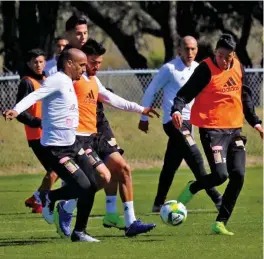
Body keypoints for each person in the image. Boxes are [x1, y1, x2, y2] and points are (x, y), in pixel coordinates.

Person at [55, 39, 158, 238]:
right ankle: (66, 208)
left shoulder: (94, 80)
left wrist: (140, 109)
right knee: (92, 181)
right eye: (93, 62)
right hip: (77, 139)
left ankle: (131, 223)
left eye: (99, 62)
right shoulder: (68, 80)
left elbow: (113, 99)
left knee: (122, 169)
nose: (97, 66)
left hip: (95, 135)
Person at [4, 48, 106, 242]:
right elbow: (35, 95)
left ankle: (79, 232)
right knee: (83, 185)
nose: (84, 70)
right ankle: (48, 198)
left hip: (73, 144)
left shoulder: (69, 82)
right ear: (69, 64)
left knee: (92, 184)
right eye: (81, 65)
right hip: (56, 148)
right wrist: (16, 110)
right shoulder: (56, 79)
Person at [171, 34, 263, 235]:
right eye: (220, 55)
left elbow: (245, 97)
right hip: (212, 130)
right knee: (221, 175)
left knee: (238, 175)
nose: (224, 60)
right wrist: (176, 110)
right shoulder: (205, 69)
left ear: (233, 55)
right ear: (215, 52)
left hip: (234, 129)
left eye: (228, 57)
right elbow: (184, 93)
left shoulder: (238, 67)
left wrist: (256, 122)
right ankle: (194, 187)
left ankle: (220, 222)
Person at [138, 36, 222, 212]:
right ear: (179, 50)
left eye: (193, 49)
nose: (189, 52)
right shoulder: (169, 69)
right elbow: (152, 90)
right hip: (172, 121)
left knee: (171, 163)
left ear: (197, 50)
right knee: (195, 157)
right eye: (186, 49)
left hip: (189, 123)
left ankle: (158, 203)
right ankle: (217, 197)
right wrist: (143, 117)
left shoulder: (200, 68)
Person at [15, 48, 58, 214]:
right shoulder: (27, 82)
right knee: (56, 169)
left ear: (45, 62)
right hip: (37, 135)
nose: (38, 65)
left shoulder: (47, 79)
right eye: (35, 62)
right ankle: (38, 199)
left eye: (41, 61)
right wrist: (38, 122)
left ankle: (36, 198)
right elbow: (20, 112)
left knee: (57, 169)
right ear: (28, 63)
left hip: (51, 133)